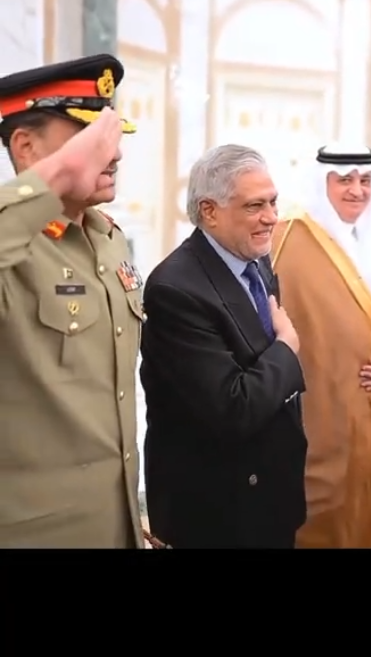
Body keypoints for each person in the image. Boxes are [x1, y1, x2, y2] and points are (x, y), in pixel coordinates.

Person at [0, 54, 144, 548]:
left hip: (114, 523)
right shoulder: (13, 246)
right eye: (90, 142)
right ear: (26, 147)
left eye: (114, 139)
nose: (116, 155)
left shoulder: (109, 240)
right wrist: (56, 179)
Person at [140, 144, 307, 548]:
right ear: (210, 211)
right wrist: (287, 346)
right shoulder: (175, 289)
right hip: (218, 515)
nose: (271, 217)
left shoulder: (254, 258)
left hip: (270, 500)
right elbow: (233, 407)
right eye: (254, 206)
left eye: (273, 202)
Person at [271, 142, 371, 548]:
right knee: (318, 509)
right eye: (343, 180)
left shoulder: (367, 239)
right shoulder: (288, 238)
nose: (357, 190)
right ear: (320, 182)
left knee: (361, 498)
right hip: (314, 407)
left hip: (364, 405)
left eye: (364, 181)